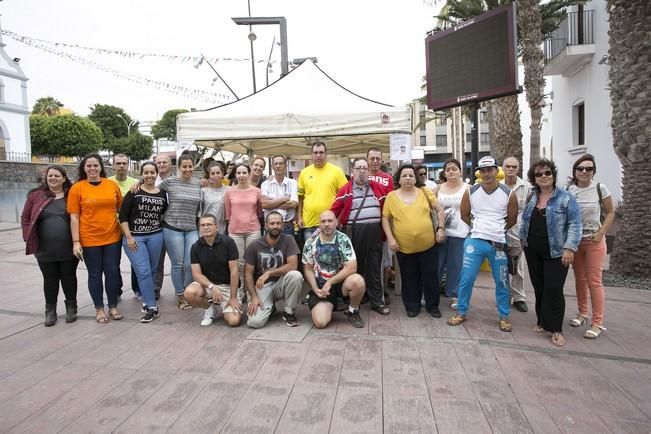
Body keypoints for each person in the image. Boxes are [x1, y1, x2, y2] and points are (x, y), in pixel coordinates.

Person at [447, 156, 519, 332]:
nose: (487, 174)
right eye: (483, 170)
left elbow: (512, 219)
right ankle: (461, 311)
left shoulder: (508, 193)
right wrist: (479, 228)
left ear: (496, 171)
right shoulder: (471, 192)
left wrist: (496, 230)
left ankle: (504, 316)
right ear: (479, 173)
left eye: (490, 170)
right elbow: (464, 215)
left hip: (498, 244)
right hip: (475, 241)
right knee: (466, 278)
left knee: (502, 281)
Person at [520, 159, 582, 346]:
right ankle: (541, 321)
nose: (544, 177)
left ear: (553, 175)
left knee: (553, 289)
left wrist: (570, 248)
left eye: (547, 173)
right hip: (532, 249)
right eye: (539, 174)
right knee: (539, 287)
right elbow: (525, 219)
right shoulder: (532, 196)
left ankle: (556, 329)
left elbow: (575, 225)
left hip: (556, 251)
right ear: (534, 179)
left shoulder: (565, 197)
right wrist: (523, 241)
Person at [382, 164, 445, 318]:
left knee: (430, 277)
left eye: (411, 175)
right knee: (409, 278)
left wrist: (441, 228)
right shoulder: (391, 196)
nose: (408, 178)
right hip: (404, 248)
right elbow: (385, 218)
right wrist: (390, 239)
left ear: (415, 178)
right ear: (399, 179)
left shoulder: (425, 191)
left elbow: (440, 210)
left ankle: (433, 306)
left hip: (428, 245)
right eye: (404, 175)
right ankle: (412, 306)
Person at [68, 153, 123, 323]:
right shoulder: (77, 188)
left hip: (112, 237)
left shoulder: (111, 185)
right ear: (83, 168)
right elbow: (74, 217)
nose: (92, 168)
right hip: (89, 239)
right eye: (89, 166)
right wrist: (76, 242)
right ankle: (99, 308)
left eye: (95, 165)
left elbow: (120, 208)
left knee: (113, 273)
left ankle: (113, 306)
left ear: (101, 167)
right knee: (95, 274)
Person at [331, 157, 391, 315]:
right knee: (353, 266)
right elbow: (334, 210)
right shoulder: (345, 189)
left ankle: (377, 301)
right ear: (352, 171)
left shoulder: (378, 188)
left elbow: (388, 209)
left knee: (374, 266)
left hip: (375, 232)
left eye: (365, 168)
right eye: (359, 168)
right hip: (353, 232)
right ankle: (357, 296)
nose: (362, 171)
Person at [21, 165, 79, 326]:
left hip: (68, 248)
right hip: (44, 249)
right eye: (50, 176)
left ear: (64, 178)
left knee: (69, 278)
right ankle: (50, 312)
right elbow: (25, 218)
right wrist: (28, 236)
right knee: (50, 280)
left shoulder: (71, 194)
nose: (53, 178)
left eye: (56, 176)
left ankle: (71, 308)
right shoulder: (36, 195)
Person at [567, 154, 615, 339]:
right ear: (575, 171)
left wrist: (601, 233)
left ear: (594, 171)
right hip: (576, 242)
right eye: (581, 168)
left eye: (589, 169)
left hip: (594, 242)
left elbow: (611, 212)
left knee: (594, 282)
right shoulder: (569, 190)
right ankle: (582, 313)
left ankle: (597, 322)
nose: (584, 172)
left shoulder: (599, 188)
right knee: (579, 279)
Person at [119, 161, 168, 323]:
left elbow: (163, 214)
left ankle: (148, 301)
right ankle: (152, 307)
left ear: (156, 174)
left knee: (153, 271)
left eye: (152, 172)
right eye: (146, 173)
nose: (149, 175)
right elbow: (123, 217)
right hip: (135, 238)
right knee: (143, 271)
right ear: (141, 174)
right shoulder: (134, 192)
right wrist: (129, 237)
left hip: (156, 236)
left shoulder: (162, 193)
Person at [303, 211, 366, 328]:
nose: (326, 224)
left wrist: (330, 282)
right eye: (323, 221)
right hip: (321, 286)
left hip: (340, 284)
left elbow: (352, 267)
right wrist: (315, 288)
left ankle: (353, 310)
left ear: (336, 223)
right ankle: (331, 305)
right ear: (319, 224)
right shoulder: (310, 242)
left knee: (358, 281)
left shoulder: (343, 239)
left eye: (330, 221)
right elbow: (308, 268)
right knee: (320, 323)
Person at [158, 153, 202, 310]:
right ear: (179, 167)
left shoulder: (198, 183)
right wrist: (138, 184)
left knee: (190, 264)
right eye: (184, 166)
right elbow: (151, 191)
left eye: (190, 166)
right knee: (178, 264)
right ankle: (180, 295)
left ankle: (188, 292)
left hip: (191, 228)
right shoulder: (169, 182)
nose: (188, 169)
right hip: (172, 227)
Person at [245, 212, 304, 328]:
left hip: (281, 283)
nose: (275, 226)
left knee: (295, 275)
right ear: (266, 226)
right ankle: (270, 308)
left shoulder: (288, 239)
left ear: (282, 225)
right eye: (272, 223)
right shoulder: (255, 245)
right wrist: (253, 297)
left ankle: (289, 312)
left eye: (278, 223)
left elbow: (293, 265)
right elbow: (247, 274)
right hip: (262, 286)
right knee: (254, 322)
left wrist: (269, 273)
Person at [183, 214, 242, 327]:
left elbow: (234, 272)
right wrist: (212, 287)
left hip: (227, 287)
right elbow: (196, 274)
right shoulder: (195, 247)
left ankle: (225, 305)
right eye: (203, 225)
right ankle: (210, 309)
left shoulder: (228, 242)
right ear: (199, 228)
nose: (205, 227)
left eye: (209, 224)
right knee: (190, 292)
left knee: (234, 321)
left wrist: (233, 297)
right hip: (208, 285)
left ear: (216, 226)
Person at [434, 158, 470, 309]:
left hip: (460, 233)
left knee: (457, 266)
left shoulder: (469, 188)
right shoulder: (437, 188)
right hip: (440, 233)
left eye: (454, 168)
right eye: (448, 169)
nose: (451, 171)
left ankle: (455, 295)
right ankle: (432, 292)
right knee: (437, 264)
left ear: (460, 171)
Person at [224, 163, 263, 302]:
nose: (241, 176)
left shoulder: (256, 191)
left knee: (252, 262)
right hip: (235, 232)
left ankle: (252, 290)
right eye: (239, 173)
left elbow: (259, 211)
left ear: (249, 173)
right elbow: (227, 215)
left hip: (253, 230)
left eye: (244, 172)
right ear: (235, 174)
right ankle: (241, 291)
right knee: (239, 264)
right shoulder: (229, 192)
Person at [297, 141, 348, 239]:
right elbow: (301, 197)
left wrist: (339, 219)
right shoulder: (304, 173)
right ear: (311, 155)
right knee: (312, 253)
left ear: (326, 154)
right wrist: (299, 217)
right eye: (315, 153)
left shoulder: (337, 172)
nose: (318, 155)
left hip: (330, 223)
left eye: (321, 152)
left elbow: (345, 198)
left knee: (331, 254)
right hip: (309, 225)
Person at [501, 156, 531, 313]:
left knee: (518, 266)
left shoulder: (526, 187)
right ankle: (504, 296)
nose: (511, 169)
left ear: (518, 169)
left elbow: (529, 211)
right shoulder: (497, 187)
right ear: (503, 168)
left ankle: (519, 297)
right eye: (508, 166)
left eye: (514, 166)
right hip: (500, 232)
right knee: (501, 266)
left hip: (518, 233)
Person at [109, 153, 140, 299]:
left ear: (128, 165)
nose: (121, 166)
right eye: (118, 163)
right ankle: (116, 291)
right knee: (113, 263)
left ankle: (138, 289)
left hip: (131, 229)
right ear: (113, 165)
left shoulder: (136, 183)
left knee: (136, 262)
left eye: (124, 163)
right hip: (112, 230)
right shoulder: (107, 183)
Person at [367, 147, 394, 303]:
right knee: (366, 261)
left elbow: (390, 202)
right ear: (367, 159)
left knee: (383, 262)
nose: (375, 161)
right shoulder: (361, 175)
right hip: (365, 225)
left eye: (378, 158)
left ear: (381, 160)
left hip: (382, 226)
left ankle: (382, 291)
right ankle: (367, 291)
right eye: (372, 158)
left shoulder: (388, 178)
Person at [153, 154, 173, 299]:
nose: (161, 164)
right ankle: (155, 288)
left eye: (164, 162)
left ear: (170, 164)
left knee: (178, 261)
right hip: (156, 226)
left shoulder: (178, 181)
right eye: (158, 162)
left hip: (174, 226)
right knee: (157, 260)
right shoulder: (150, 181)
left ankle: (183, 289)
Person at [261, 155, 298, 235]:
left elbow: (293, 204)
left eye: (281, 163)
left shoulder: (293, 183)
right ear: (272, 166)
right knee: (269, 248)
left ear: (285, 165)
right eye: (276, 164)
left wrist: (272, 203)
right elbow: (264, 204)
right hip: (270, 226)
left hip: (287, 225)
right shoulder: (265, 184)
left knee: (287, 247)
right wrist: (284, 199)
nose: (278, 166)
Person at [200, 161, 228, 234]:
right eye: (212, 173)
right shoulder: (203, 191)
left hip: (221, 229)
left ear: (222, 174)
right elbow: (200, 212)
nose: (215, 175)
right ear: (209, 175)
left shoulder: (228, 190)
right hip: (205, 229)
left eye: (218, 173)